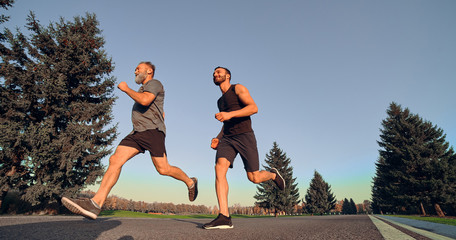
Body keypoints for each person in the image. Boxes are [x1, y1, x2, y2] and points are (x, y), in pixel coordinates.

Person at [62, 62, 198, 220]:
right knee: (115, 160)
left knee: (163, 169)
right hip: (137, 133)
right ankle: (95, 204)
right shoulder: (143, 88)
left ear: (149, 71)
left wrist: (126, 89)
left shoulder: (154, 83)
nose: (135, 71)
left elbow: (146, 100)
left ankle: (190, 181)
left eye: (138, 68)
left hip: (152, 132)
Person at [202, 66, 285, 230]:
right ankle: (224, 216)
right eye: (214, 73)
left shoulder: (238, 88)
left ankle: (273, 175)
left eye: (219, 72)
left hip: (244, 135)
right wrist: (217, 138)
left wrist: (229, 114)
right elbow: (226, 123)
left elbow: (253, 108)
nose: (215, 74)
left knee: (254, 177)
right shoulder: (220, 101)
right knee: (219, 168)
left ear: (228, 76)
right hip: (227, 139)